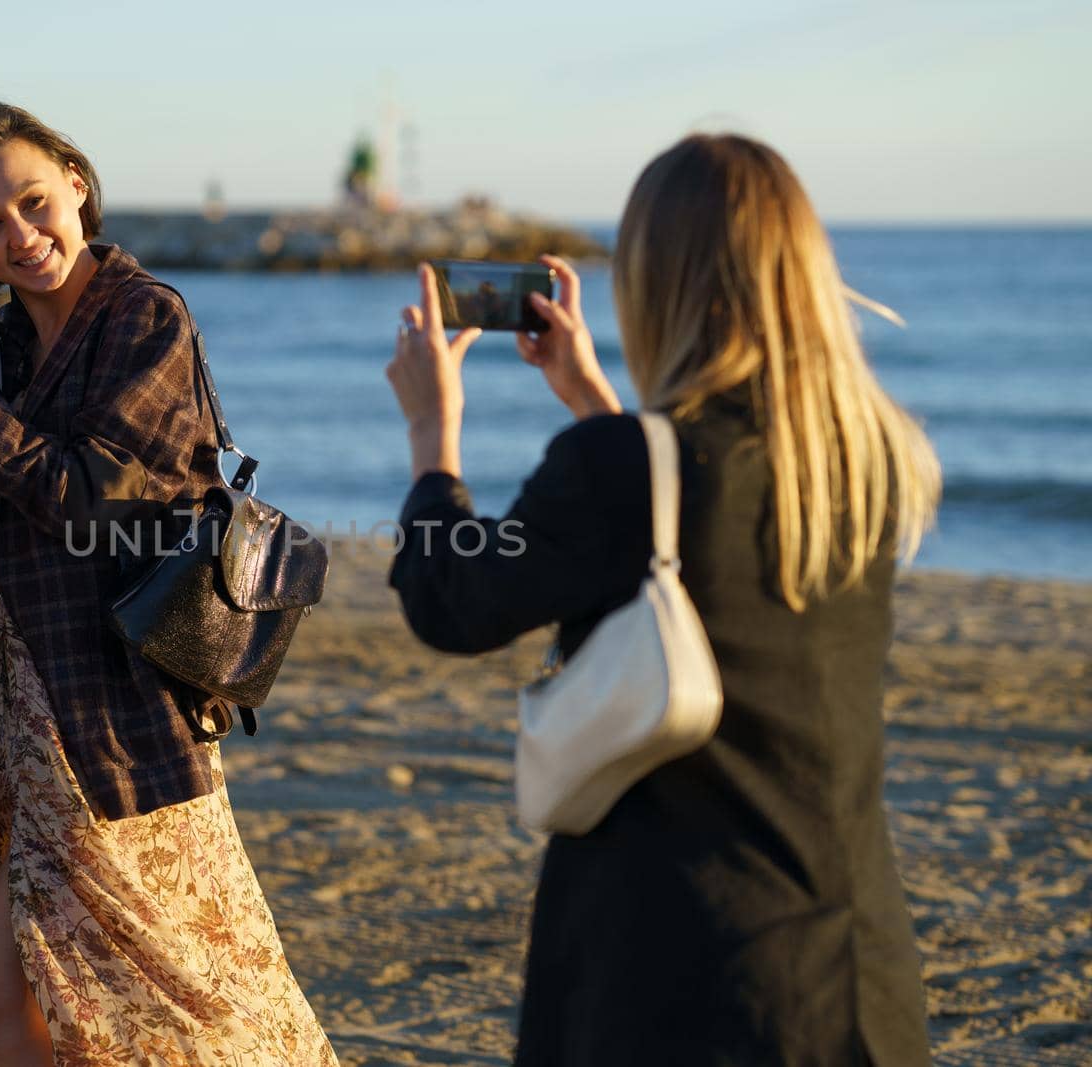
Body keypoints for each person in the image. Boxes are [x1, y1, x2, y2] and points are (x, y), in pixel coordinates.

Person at [385, 133, 940, 1065]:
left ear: (657, 279)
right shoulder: (869, 456)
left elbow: (453, 600)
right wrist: (594, 399)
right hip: (849, 962)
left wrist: (433, 436)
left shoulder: (623, 470)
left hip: (674, 965)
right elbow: (702, 545)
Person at [0, 98, 338, 1066]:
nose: (18, 236)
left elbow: (92, 500)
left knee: (195, 994)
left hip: (110, 720)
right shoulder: (12, 343)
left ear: (78, 184)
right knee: (0, 1007)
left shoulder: (142, 314)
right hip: (28, 720)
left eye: (34, 202)